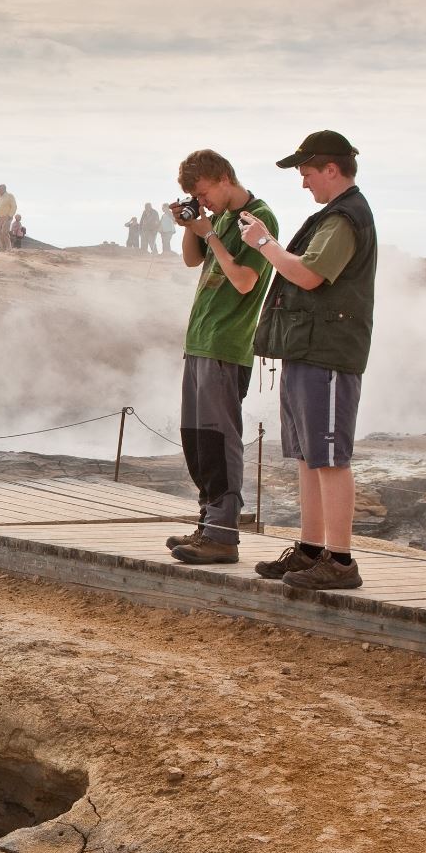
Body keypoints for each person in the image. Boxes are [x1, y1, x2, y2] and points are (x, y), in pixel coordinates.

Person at [241, 131, 377, 590]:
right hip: (310, 349)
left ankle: (339, 562)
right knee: (307, 455)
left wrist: (264, 242)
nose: (304, 184)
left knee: (330, 457)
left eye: (307, 173)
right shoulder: (335, 216)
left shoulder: (344, 218)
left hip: (329, 353)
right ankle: (311, 550)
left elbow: (309, 275)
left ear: (331, 169)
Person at [164, 150, 279, 566]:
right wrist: (191, 227)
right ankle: (209, 523)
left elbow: (246, 281)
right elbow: (193, 259)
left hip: (227, 344)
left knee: (220, 438)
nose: (203, 201)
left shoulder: (257, 216)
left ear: (223, 177)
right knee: (197, 440)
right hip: (200, 342)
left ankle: (223, 535)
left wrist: (210, 231)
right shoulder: (221, 219)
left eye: (203, 192)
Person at [0, 185, 17, 252]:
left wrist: (10, 215)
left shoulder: (10, 196)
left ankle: (8, 248)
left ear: (3, 189)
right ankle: (1, 249)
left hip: (6, 217)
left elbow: (14, 206)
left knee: (4, 232)